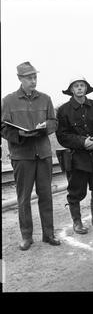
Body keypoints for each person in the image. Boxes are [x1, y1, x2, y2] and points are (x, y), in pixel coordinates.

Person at [1, 61, 61, 250]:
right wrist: (19, 134)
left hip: (43, 154)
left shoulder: (46, 99)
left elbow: (54, 122)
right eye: (29, 78)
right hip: (22, 155)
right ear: (20, 79)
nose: (33, 81)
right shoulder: (8, 101)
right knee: (23, 198)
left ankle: (48, 234)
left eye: (35, 77)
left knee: (46, 195)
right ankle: (27, 236)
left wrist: (45, 128)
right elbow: (2, 127)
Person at [56, 76, 93, 234]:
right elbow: (62, 136)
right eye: (76, 86)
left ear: (86, 88)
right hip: (77, 158)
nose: (79, 88)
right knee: (76, 191)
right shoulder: (64, 110)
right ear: (71, 90)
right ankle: (77, 222)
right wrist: (82, 142)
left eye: (82, 85)